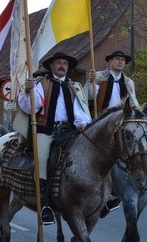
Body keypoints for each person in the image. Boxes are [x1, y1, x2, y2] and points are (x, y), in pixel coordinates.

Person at [17, 51, 92, 225]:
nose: (61, 66)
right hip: (46, 130)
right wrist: (28, 92)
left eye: (64, 63)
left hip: (69, 131)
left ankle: (98, 195)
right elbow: (31, 108)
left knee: (92, 152)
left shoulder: (74, 87)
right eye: (58, 62)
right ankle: (44, 204)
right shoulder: (40, 84)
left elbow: (80, 111)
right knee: (42, 159)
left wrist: (83, 123)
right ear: (51, 66)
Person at [86, 50, 139, 217]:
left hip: (120, 121)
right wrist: (91, 82)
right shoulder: (99, 76)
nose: (120, 62)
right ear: (110, 61)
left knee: (130, 151)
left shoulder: (129, 81)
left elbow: (134, 101)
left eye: (123, 60)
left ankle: (117, 191)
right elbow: (89, 96)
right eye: (117, 59)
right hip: (101, 118)